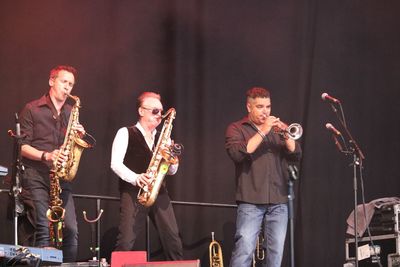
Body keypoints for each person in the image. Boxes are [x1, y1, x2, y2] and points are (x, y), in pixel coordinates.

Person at [225, 87, 302, 267]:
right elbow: (238, 154)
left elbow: (296, 154)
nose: (265, 111)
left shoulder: (276, 130)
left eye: (268, 106)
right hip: (250, 201)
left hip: (279, 201)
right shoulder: (236, 128)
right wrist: (263, 131)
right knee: (244, 250)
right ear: (249, 107)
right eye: (260, 106)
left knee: (275, 256)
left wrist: (285, 134)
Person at [18, 65, 86, 262]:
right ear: (51, 81)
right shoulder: (32, 109)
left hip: (61, 178)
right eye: (64, 82)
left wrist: (77, 137)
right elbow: (21, 147)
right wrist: (46, 155)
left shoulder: (70, 111)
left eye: (71, 84)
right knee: (43, 227)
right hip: (36, 176)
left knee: (71, 229)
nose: (67, 88)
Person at [110, 91, 183, 260]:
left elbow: (171, 171)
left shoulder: (164, 138)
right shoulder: (125, 132)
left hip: (159, 192)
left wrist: (174, 161)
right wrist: (136, 178)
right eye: (155, 111)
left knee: (173, 240)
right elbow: (115, 164)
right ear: (141, 111)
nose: (160, 116)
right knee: (126, 242)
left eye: (161, 112)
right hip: (133, 192)